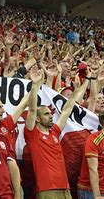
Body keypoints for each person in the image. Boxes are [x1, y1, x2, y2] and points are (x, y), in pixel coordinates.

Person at [25, 67, 88, 198]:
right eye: (46, 114)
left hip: (65, 187)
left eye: (50, 113)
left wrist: (76, 92)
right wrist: (35, 86)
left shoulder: (54, 132)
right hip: (46, 189)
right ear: (37, 118)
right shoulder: (32, 134)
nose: (51, 116)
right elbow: (32, 109)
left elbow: (66, 111)